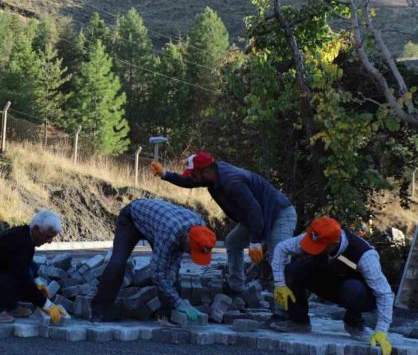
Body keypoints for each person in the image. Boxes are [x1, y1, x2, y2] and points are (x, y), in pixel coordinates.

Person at [151, 151, 296, 293]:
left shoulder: (232, 182)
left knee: (278, 259)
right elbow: (189, 181)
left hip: (279, 214)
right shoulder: (212, 176)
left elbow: (254, 210)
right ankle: (236, 286)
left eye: (194, 174)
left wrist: (255, 241)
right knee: (233, 242)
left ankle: (288, 310)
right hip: (257, 217)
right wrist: (165, 174)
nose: (192, 178)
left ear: (206, 171)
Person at [270, 217, 393, 355]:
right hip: (329, 282)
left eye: (319, 247)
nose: (313, 248)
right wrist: (280, 284)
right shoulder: (317, 235)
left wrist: (381, 331)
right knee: (293, 270)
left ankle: (354, 322)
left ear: (334, 243)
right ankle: (299, 321)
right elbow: (281, 248)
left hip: (357, 292)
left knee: (353, 289)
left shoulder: (365, 255)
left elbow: (384, 294)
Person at [90, 198, 217, 322]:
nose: (189, 254)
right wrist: (178, 302)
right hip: (132, 218)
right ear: (187, 240)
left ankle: (166, 314)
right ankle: (99, 311)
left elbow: (174, 262)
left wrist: (178, 301)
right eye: (190, 251)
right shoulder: (168, 234)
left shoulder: (201, 230)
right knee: (118, 262)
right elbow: (157, 273)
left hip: (156, 222)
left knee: (172, 271)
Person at [0, 209, 68, 323]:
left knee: (24, 273)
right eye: (48, 236)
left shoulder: (24, 236)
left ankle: (9, 306)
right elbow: (22, 278)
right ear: (36, 229)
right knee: (17, 278)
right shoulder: (18, 242)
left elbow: (28, 264)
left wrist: (38, 282)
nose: (50, 241)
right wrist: (47, 305)